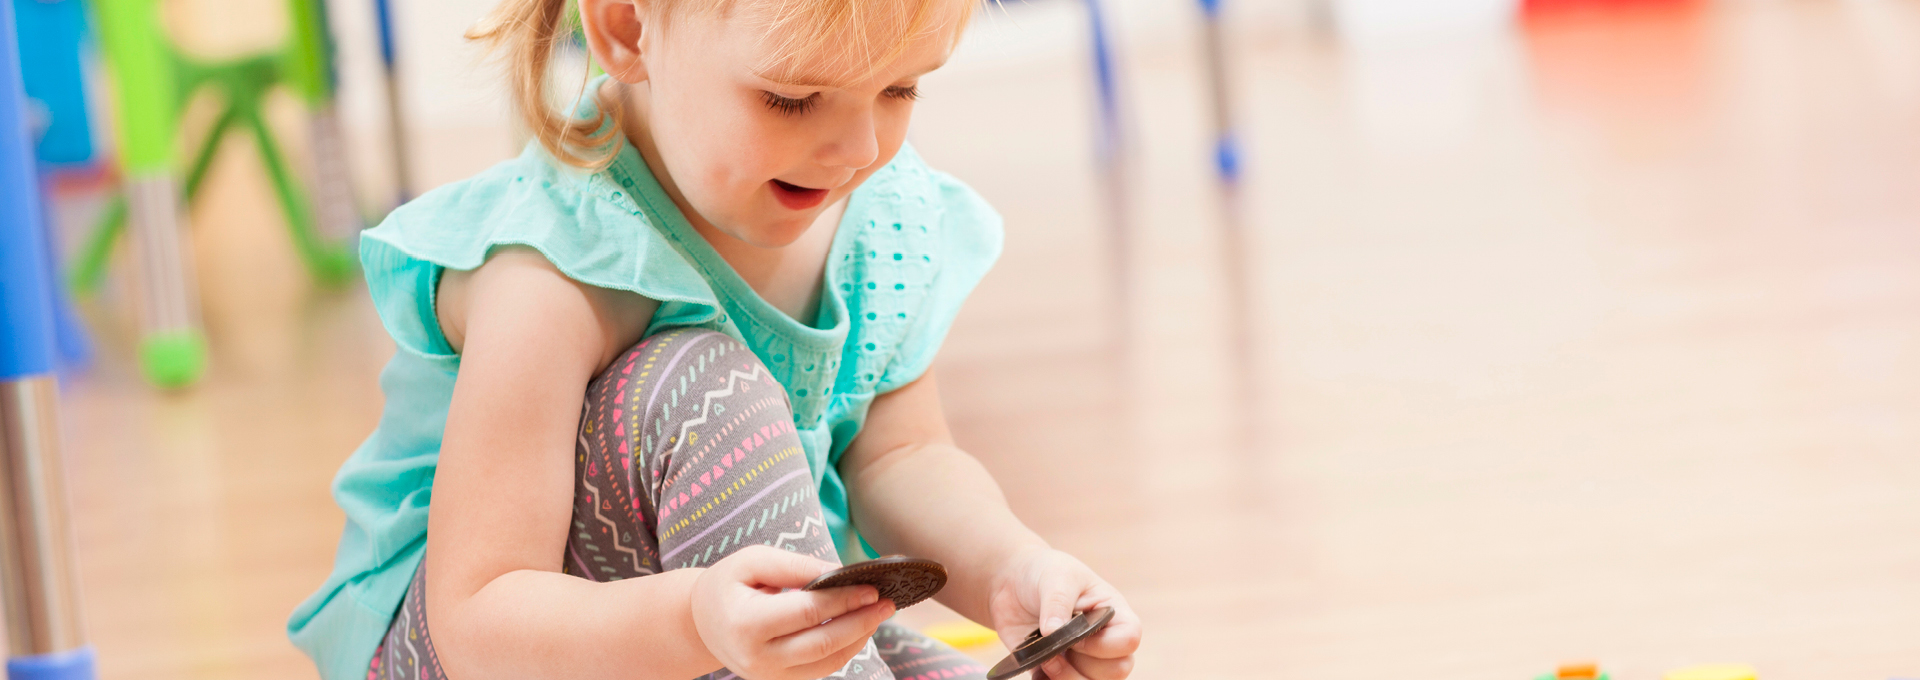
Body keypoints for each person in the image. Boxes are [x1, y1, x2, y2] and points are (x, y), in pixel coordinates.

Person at [288, 0, 1142, 678]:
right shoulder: (553, 272)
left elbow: (898, 458)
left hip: (703, 625)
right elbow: (479, 617)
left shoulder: (874, 216)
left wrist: (1013, 570)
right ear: (627, 26)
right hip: (476, 655)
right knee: (700, 379)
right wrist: (694, 620)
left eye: (900, 90)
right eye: (792, 97)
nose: (857, 148)